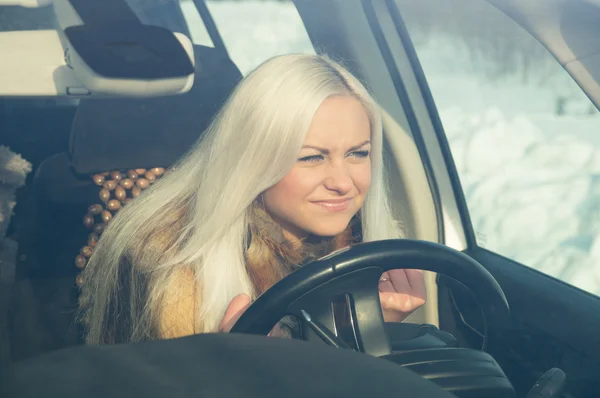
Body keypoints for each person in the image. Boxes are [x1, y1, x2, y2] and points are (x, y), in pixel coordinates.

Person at [78, 53, 426, 344]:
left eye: (358, 153)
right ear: (254, 159)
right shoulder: (174, 267)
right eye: (311, 157)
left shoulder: (367, 245)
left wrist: (373, 325)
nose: (342, 182)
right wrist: (242, 366)